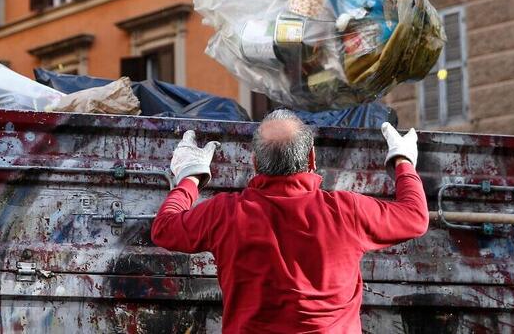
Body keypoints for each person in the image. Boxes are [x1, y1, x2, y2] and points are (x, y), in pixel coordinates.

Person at [151, 109, 429, 333]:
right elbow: (415, 217)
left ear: (255, 163)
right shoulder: (346, 211)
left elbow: (164, 228)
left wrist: (191, 176)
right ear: (312, 158)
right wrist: (403, 160)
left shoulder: (224, 213)